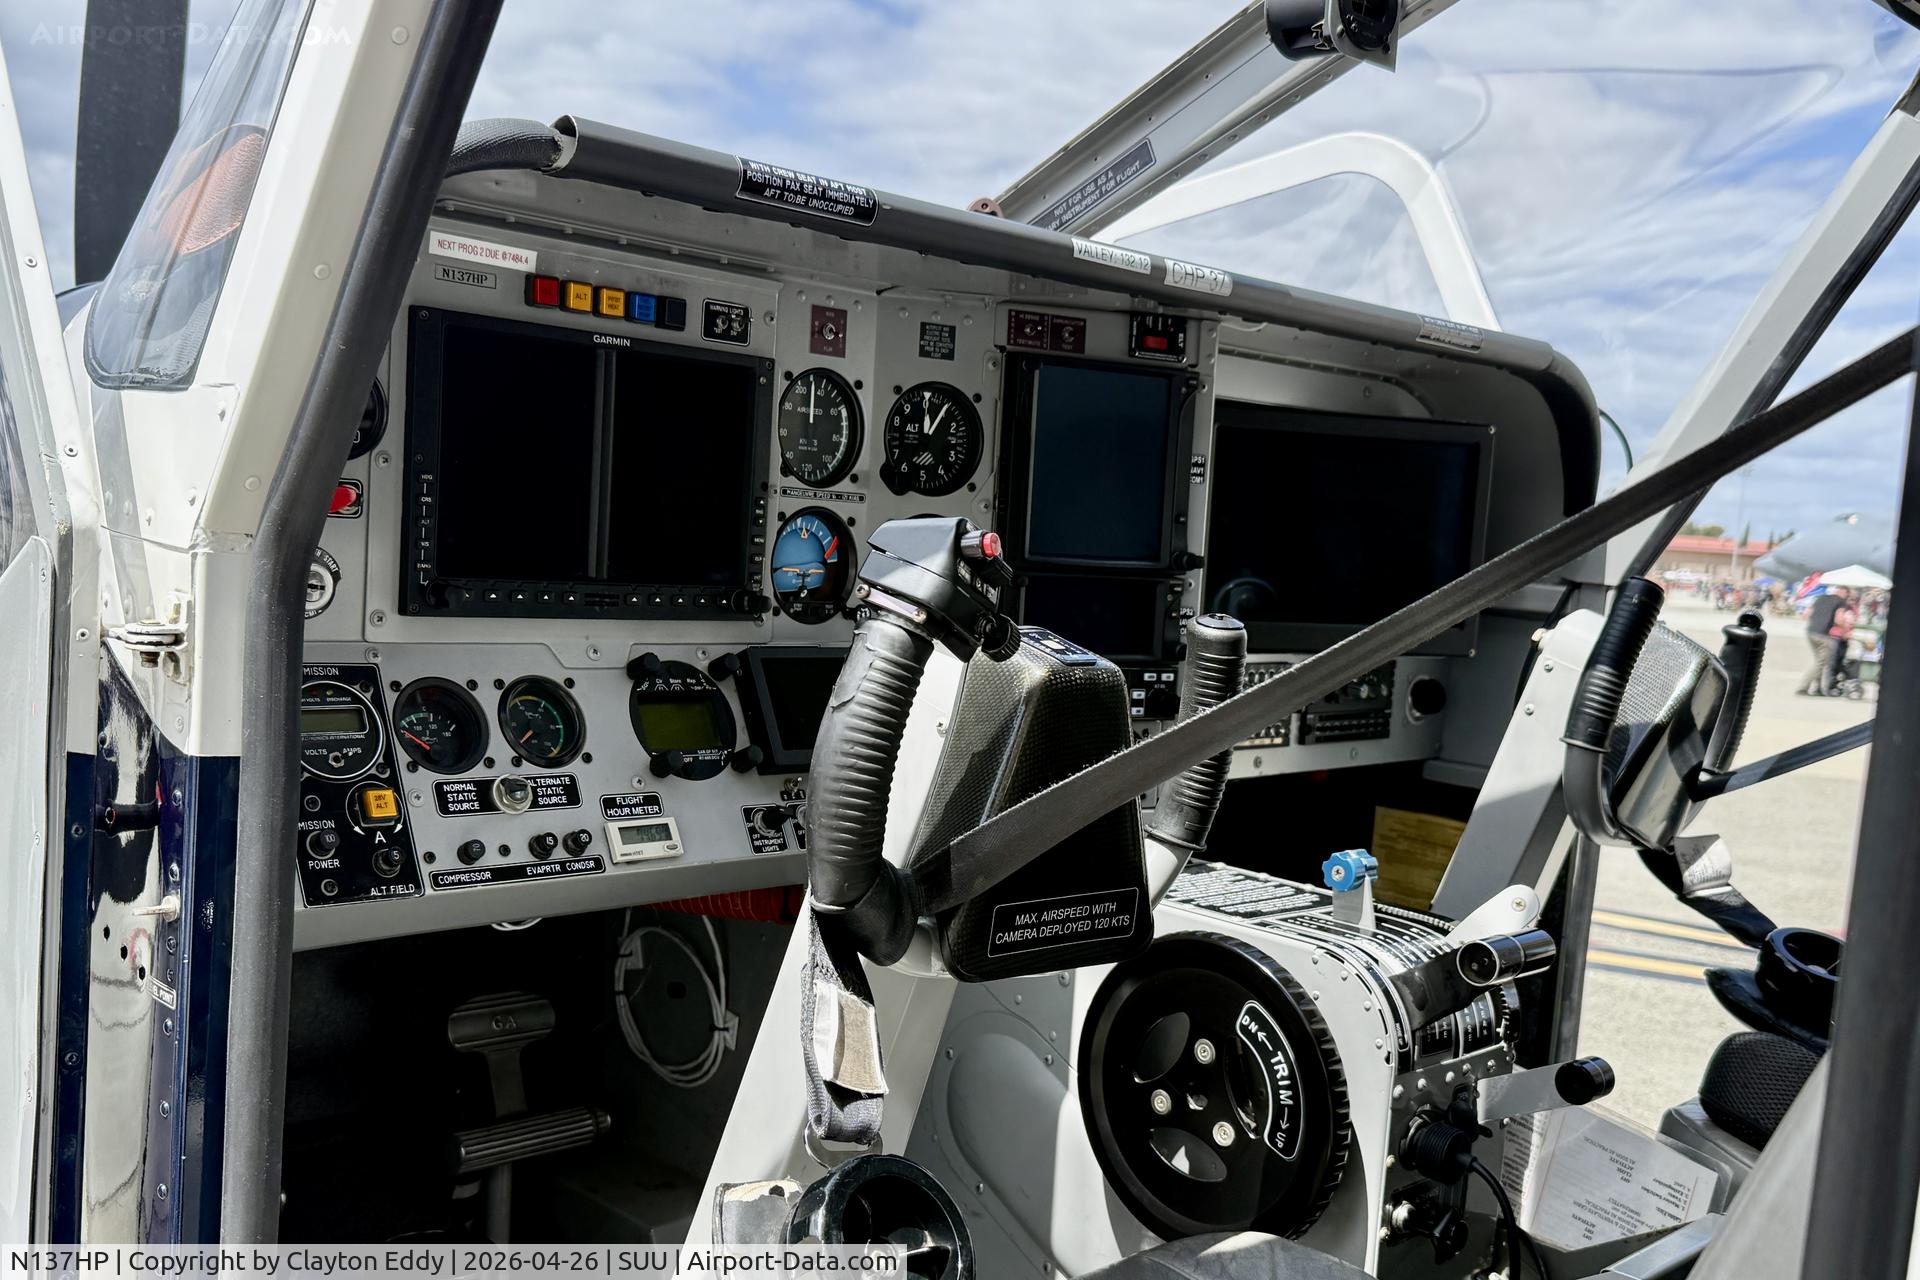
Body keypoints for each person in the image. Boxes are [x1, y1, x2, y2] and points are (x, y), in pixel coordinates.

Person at [1798, 586, 1850, 696]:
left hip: (1811, 632)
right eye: (1848, 594)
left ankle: (1818, 689)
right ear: (1844, 592)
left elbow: (1806, 614)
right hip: (1823, 634)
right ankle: (1803, 687)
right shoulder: (1840, 602)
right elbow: (1839, 619)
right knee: (1823, 663)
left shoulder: (1821, 598)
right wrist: (1845, 630)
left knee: (1821, 661)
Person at [1825, 590, 1858, 695]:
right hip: (1836, 636)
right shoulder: (1840, 608)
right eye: (1849, 598)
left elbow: (1852, 623)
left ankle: (1837, 685)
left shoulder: (1854, 610)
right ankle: (1831, 687)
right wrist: (1844, 632)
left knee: (1840, 663)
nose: (1851, 601)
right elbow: (1838, 621)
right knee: (1833, 664)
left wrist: (1848, 633)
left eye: (1853, 599)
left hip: (1845, 639)